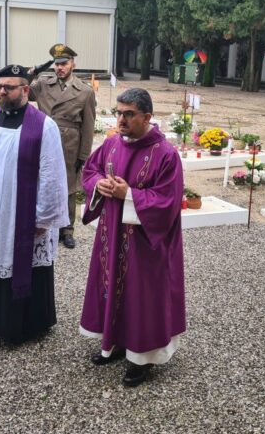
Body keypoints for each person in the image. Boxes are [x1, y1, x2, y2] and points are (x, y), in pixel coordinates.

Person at [80, 88, 186, 387]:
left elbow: (167, 201)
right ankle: (112, 343)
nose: (121, 120)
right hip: (111, 234)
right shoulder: (112, 143)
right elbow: (90, 169)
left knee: (142, 296)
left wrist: (130, 194)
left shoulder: (166, 154)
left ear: (147, 117)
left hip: (145, 243)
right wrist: (98, 183)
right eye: (119, 113)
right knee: (110, 285)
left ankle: (142, 357)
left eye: (129, 114)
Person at [0, 64, 68, 344]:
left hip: (20, 214)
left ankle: (27, 325)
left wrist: (44, 218)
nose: (1, 92)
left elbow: (52, 174)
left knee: (22, 262)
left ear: (25, 90)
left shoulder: (44, 126)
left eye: (8, 87)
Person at [29, 43, 96, 249]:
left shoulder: (84, 92)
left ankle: (67, 230)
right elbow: (23, 89)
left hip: (69, 144)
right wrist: (33, 72)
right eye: (57, 64)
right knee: (43, 181)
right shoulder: (41, 85)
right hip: (44, 140)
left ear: (73, 64)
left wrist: (83, 155)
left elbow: (88, 126)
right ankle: (43, 224)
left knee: (69, 188)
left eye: (64, 63)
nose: (60, 68)